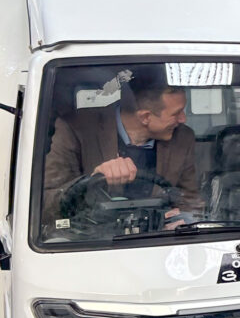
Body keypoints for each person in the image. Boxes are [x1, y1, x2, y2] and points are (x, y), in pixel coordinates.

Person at [43, 66, 201, 228]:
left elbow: (189, 198)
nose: (183, 119)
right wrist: (87, 184)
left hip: (159, 238)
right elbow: (45, 203)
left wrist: (182, 219)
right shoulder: (76, 128)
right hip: (93, 239)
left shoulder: (182, 137)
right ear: (145, 117)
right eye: (176, 113)